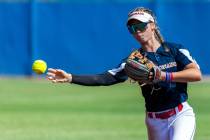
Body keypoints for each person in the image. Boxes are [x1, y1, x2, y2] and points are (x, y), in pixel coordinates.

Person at [46, 7, 202, 140]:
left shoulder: (173, 50)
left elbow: (195, 74)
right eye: (132, 29)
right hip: (154, 121)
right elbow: (105, 78)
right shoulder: (134, 61)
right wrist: (71, 78)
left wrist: (164, 76)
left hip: (180, 115)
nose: (137, 31)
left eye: (140, 26)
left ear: (152, 25)